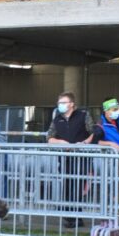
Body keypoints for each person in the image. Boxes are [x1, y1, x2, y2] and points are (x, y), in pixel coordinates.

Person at [47, 91, 94, 225]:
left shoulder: (83, 116)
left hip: (82, 158)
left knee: (78, 186)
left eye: (63, 102)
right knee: (67, 185)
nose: (60, 105)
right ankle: (68, 215)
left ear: (71, 104)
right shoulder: (57, 119)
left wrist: (84, 144)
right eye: (59, 103)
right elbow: (49, 138)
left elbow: (94, 132)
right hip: (65, 157)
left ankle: (77, 216)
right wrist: (60, 143)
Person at [93, 98, 119, 224]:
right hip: (111, 162)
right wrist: (109, 143)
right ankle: (107, 216)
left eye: (118, 109)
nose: (117, 112)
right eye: (114, 110)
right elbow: (95, 141)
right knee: (111, 188)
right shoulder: (100, 125)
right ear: (106, 111)